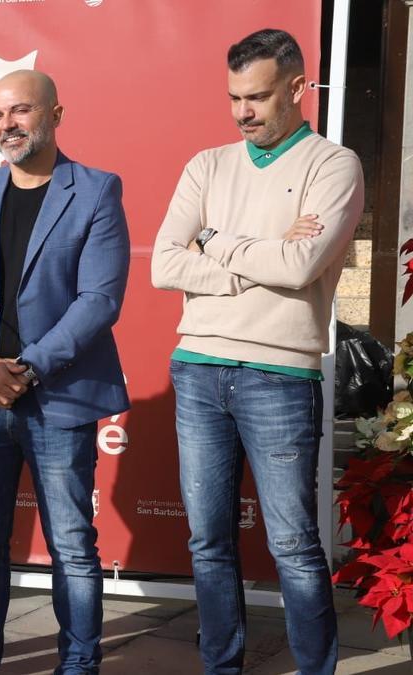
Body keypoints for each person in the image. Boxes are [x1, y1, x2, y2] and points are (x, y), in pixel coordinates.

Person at [151, 28, 362, 674]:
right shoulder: (206, 164)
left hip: (280, 374)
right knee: (208, 540)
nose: (243, 111)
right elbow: (163, 263)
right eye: (235, 97)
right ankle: (222, 667)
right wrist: (254, 255)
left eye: (259, 97)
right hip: (197, 370)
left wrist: (213, 240)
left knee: (295, 543)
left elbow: (301, 266)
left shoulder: (334, 165)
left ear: (298, 88)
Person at [0, 70, 130, 674]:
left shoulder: (95, 190)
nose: (6, 125)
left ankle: (78, 666)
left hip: (59, 396)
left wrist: (28, 366)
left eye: (19, 111)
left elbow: (99, 299)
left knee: (71, 545)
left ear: (55, 114)